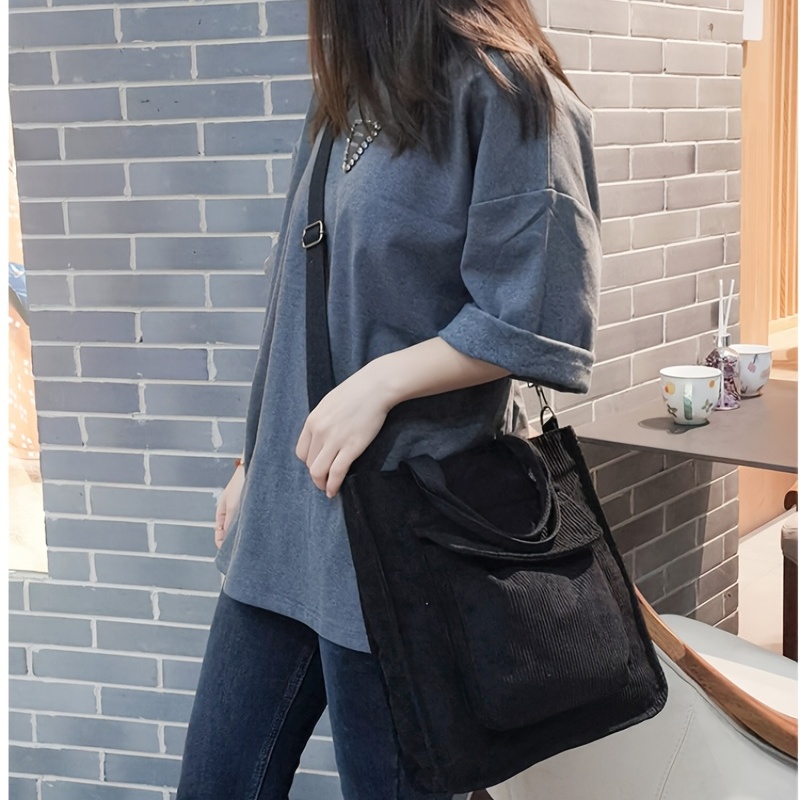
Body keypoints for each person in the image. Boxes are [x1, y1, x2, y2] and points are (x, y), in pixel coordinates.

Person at [175, 0, 602, 798]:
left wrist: (380, 383)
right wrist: (250, 458)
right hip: (285, 517)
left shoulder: (509, 91)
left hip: (403, 537)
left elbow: (538, 318)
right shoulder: (347, 89)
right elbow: (295, 297)